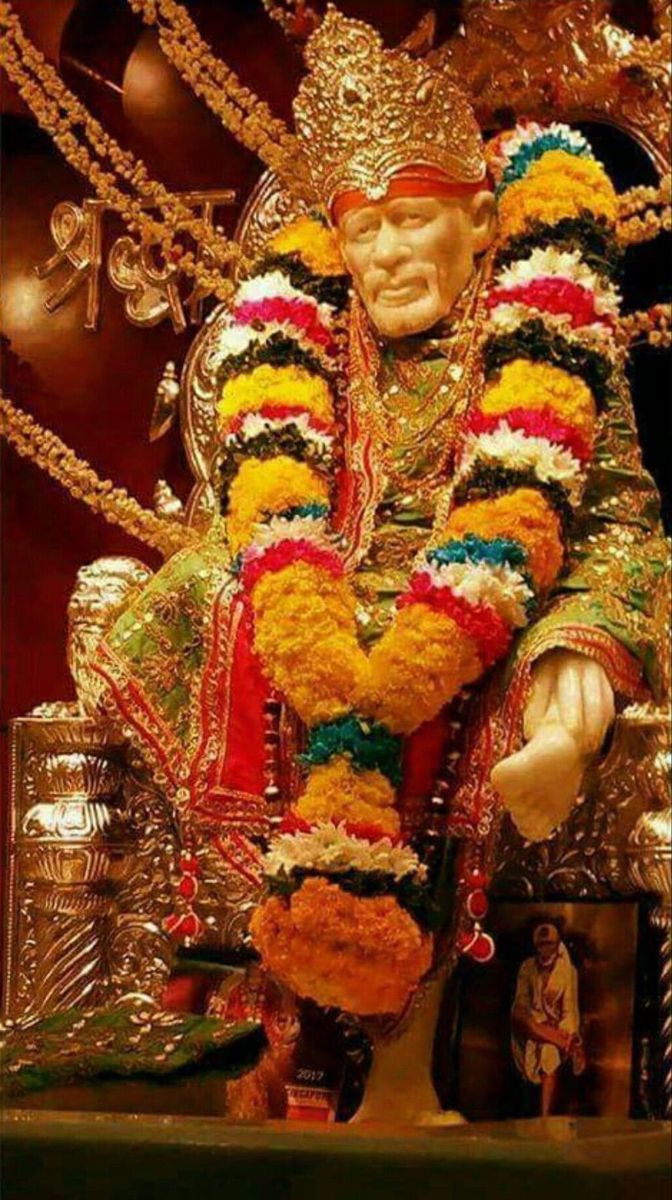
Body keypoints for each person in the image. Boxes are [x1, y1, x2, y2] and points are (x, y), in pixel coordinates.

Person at [88, 7, 666, 1118]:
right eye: (366, 233)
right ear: (333, 248)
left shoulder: (547, 335)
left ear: (482, 222)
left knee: (546, 664)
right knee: (216, 604)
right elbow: (259, 512)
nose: (390, 254)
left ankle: (404, 1052)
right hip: (319, 601)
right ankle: (246, 1018)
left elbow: (618, 519)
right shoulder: (301, 338)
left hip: (499, 594)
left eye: (414, 221)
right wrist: (269, 584)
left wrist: (577, 639)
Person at [512, 922, 586, 1116]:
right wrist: (535, 1020)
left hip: (554, 1029)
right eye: (541, 945)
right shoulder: (527, 967)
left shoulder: (568, 972)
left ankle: (544, 1117)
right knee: (526, 1020)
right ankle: (567, 1045)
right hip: (529, 1023)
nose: (545, 949)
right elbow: (521, 1002)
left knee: (549, 1052)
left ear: (557, 944)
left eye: (549, 944)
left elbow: (570, 1010)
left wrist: (564, 1030)